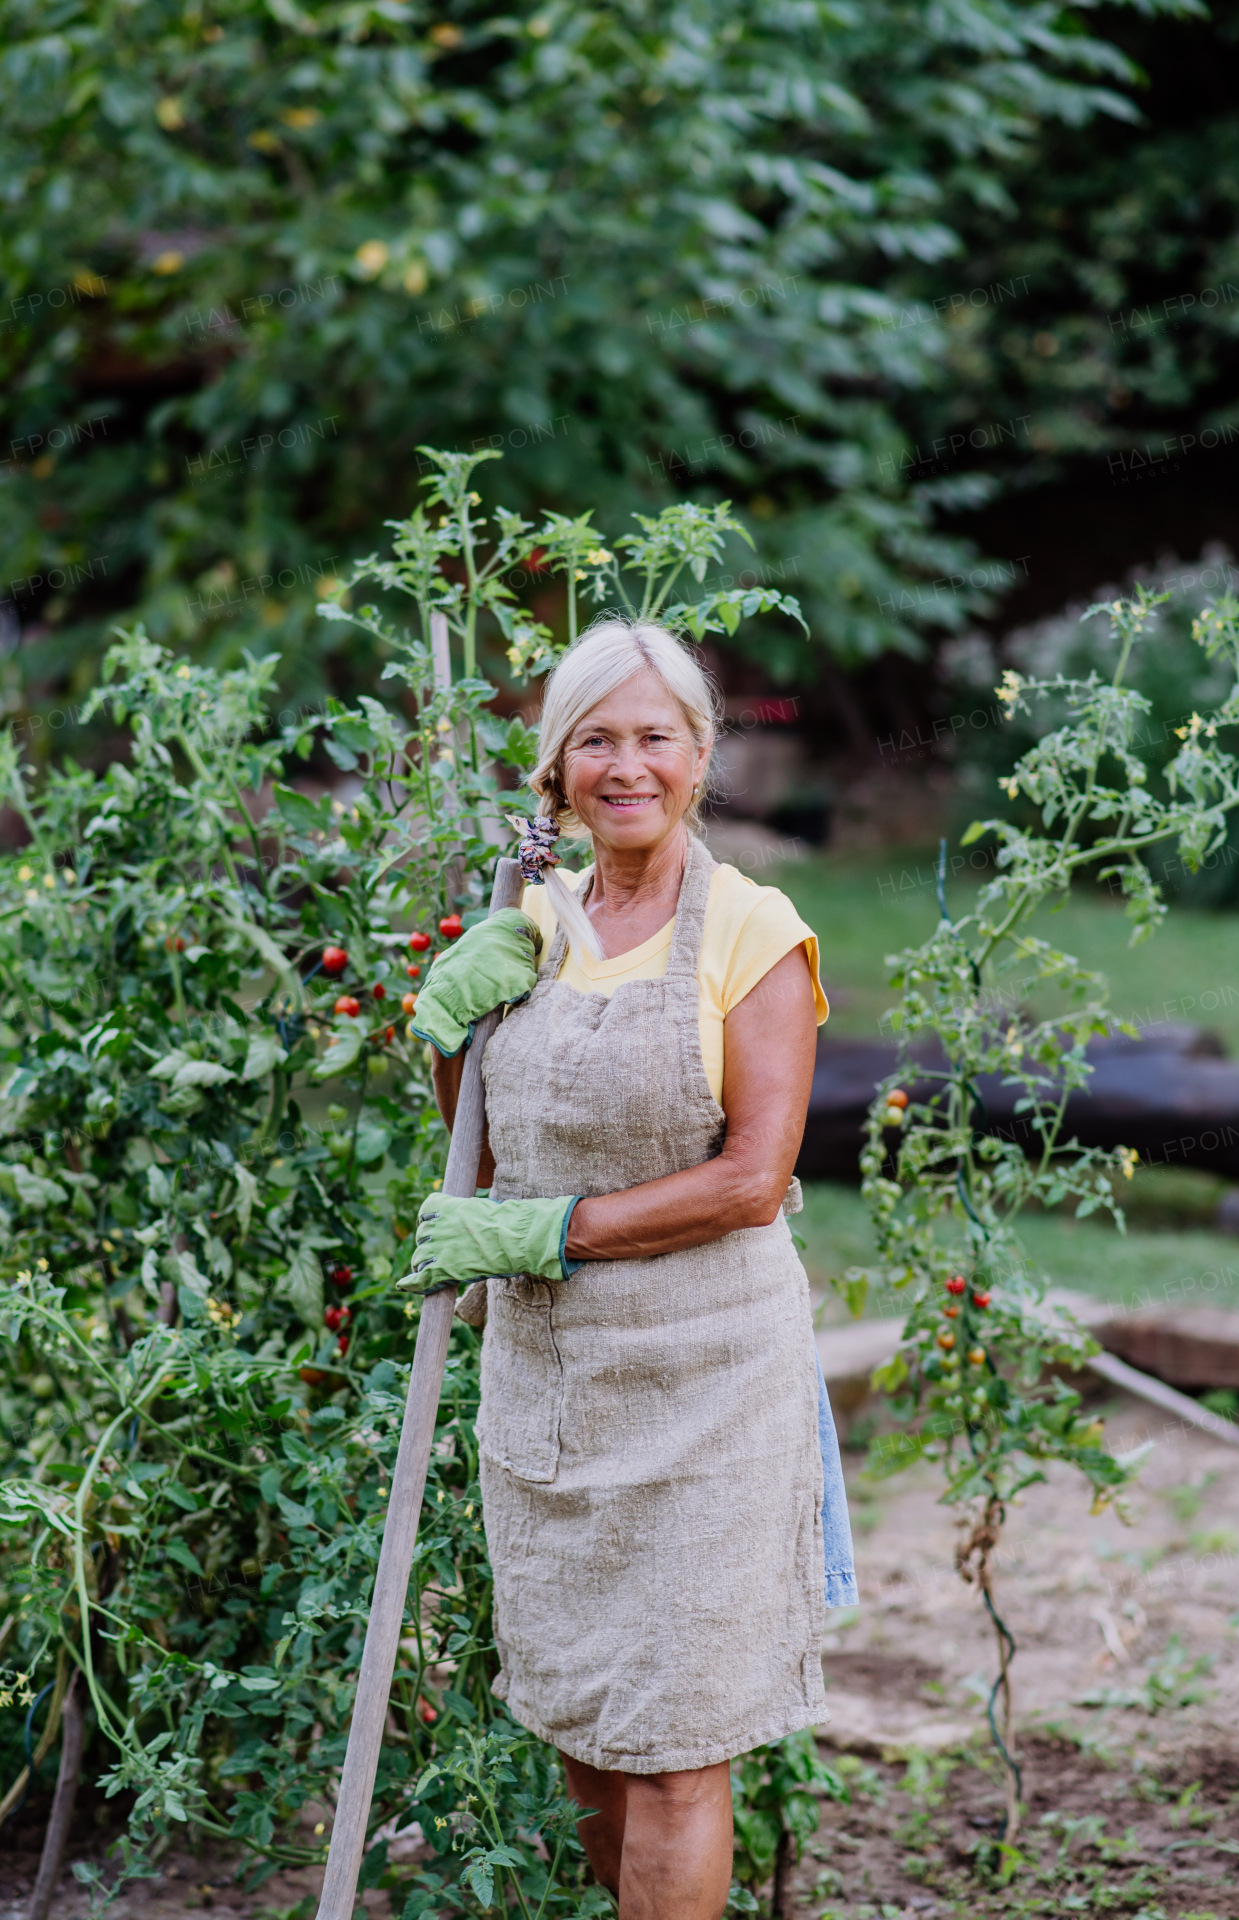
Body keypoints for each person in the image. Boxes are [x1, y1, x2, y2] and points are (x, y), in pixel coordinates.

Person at [400, 620, 855, 1920]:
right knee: (592, 1751)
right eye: (596, 738)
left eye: (655, 735)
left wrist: (552, 1234)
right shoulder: (530, 923)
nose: (627, 763)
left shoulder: (755, 930)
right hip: (553, 1389)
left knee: (672, 1759)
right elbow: (476, 1142)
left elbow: (751, 1178)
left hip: (712, 1386)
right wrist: (452, 1021)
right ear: (556, 769)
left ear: (700, 756)